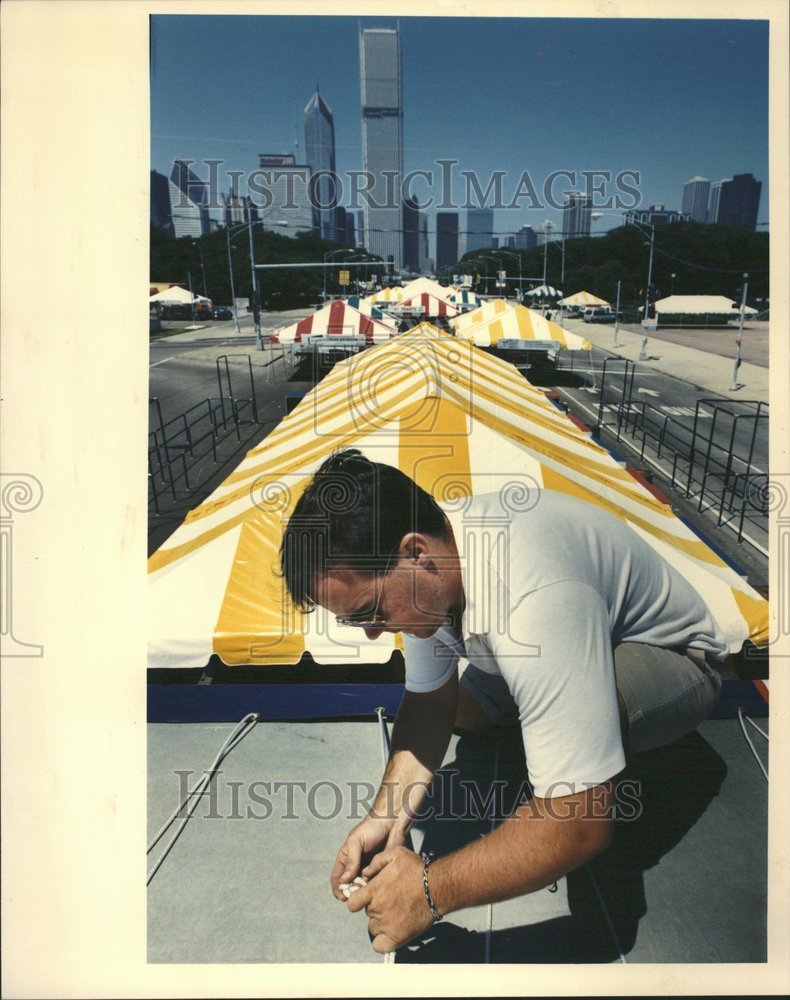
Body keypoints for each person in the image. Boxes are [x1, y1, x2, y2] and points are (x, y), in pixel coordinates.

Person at [279, 448, 728, 954]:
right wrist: (386, 816)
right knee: (468, 714)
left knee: (574, 780)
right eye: (353, 621)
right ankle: (546, 729)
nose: (374, 634)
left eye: (368, 612)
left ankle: (564, 744)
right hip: (557, 634)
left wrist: (426, 891)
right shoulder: (437, 562)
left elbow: (580, 824)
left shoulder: (529, 598)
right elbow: (430, 706)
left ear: (415, 552)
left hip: (673, 655)